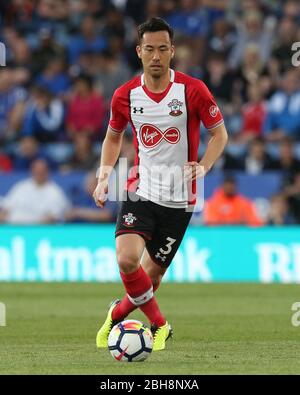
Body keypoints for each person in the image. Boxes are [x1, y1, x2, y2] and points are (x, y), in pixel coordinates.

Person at [93, 17, 228, 351]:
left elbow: (219, 134)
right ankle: (160, 324)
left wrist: (205, 165)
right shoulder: (125, 95)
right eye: (149, 49)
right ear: (139, 52)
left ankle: (118, 312)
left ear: (173, 51)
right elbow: (113, 137)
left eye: (162, 49)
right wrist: (103, 176)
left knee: (150, 280)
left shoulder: (193, 90)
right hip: (142, 189)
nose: (156, 55)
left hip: (180, 200)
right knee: (126, 260)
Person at [0, 159, 70, 224]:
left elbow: (54, 216)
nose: (39, 174)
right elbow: (7, 207)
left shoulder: (55, 191)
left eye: (42, 171)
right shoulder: (21, 186)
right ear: (31, 171)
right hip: (14, 227)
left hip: (39, 230)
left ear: (48, 172)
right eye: (36, 171)